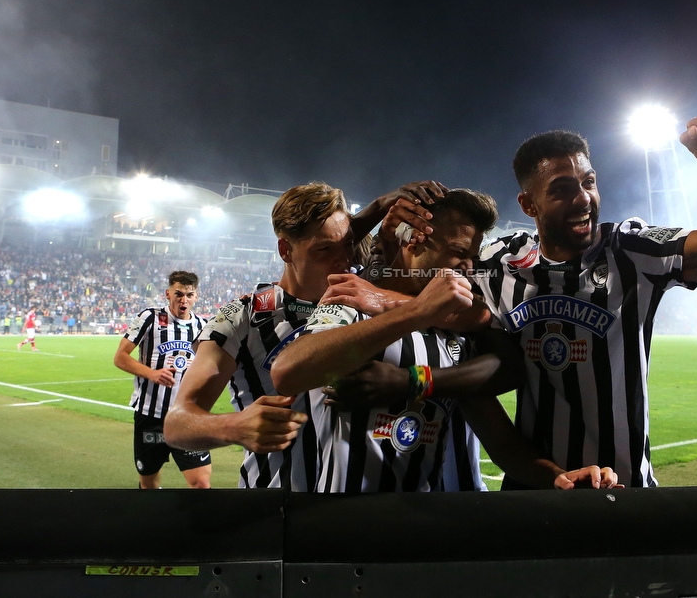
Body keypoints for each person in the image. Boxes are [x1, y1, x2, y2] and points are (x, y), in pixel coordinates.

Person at [473, 110, 697, 488]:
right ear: (528, 205)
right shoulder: (498, 262)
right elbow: (425, 274)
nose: (583, 199)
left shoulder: (628, 249)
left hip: (625, 493)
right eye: (562, 189)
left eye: (589, 182)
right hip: (534, 495)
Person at [271, 189, 620, 493]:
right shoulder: (353, 300)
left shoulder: (457, 332)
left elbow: (499, 438)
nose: (468, 267)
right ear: (413, 240)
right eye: (457, 252)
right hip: (347, 531)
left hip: (428, 531)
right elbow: (287, 371)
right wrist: (416, 312)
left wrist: (560, 477)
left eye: (473, 256)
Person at [163, 181, 452, 490]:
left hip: (358, 508)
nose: (344, 260)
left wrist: (382, 207)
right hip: (275, 507)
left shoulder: (365, 298)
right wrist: (230, 426)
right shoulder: (243, 316)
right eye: (324, 250)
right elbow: (176, 425)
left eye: (349, 245)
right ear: (285, 250)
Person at [114, 270, 210, 489]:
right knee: (149, 484)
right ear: (168, 294)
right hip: (151, 417)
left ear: (195, 297)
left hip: (187, 417)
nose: (184, 300)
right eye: (178, 294)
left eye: (189, 294)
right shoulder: (149, 318)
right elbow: (120, 357)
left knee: (202, 483)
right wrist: (152, 373)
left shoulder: (202, 327)